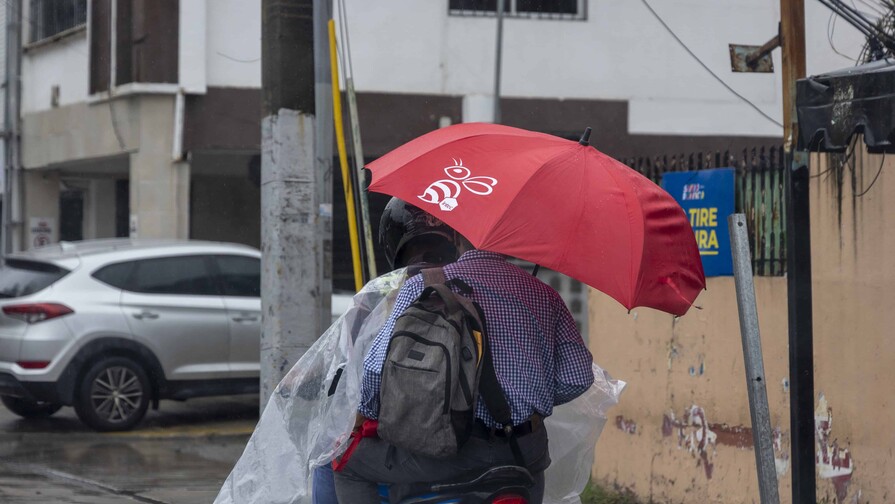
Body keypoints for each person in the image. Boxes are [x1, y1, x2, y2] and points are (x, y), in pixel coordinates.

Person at [333, 232, 595, 504]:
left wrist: (366, 415)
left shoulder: (421, 286)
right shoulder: (546, 295)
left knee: (345, 464)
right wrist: (526, 399)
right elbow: (577, 378)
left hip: (448, 448)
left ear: (454, 235)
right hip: (524, 452)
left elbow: (376, 371)